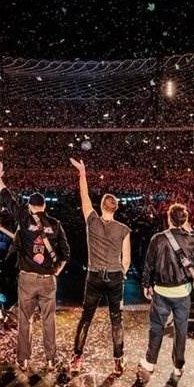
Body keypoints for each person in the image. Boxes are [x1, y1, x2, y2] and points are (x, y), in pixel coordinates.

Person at [0, 161, 70, 372]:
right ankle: (50, 360)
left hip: (27, 278)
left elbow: (8, 200)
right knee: (49, 320)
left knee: (25, 320)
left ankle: (24, 359)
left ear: (30, 206)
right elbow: (66, 252)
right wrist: (58, 270)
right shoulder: (55, 224)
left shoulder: (24, 218)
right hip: (48, 280)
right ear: (44, 206)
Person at [68, 158, 131, 375]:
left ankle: (76, 358)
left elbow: (84, 197)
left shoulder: (92, 221)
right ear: (116, 208)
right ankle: (118, 361)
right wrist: (121, 274)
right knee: (116, 320)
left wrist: (83, 173)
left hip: (94, 276)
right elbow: (126, 259)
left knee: (86, 319)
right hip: (115, 276)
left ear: (102, 206)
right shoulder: (123, 229)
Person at [139, 203, 194, 382]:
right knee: (181, 329)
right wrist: (189, 230)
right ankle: (178, 365)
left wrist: (146, 284)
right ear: (184, 221)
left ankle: (150, 362)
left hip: (161, 291)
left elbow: (148, 264)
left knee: (156, 328)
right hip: (182, 292)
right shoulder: (190, 239)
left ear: (169, 218)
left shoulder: (157, 239)